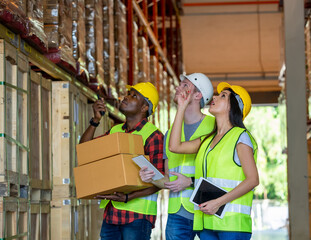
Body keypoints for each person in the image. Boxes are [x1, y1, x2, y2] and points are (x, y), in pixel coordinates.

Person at [168, 82, 259, 240]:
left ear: (233, 106)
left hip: (232, 226)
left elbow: (253, 180)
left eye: (223, 96)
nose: (215, 97)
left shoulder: (240, 137)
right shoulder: (207, 140)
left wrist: (218, 202)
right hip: (207, 224)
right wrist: (181, 107)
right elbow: (174, 146)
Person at [80, 82, 164, 240]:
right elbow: (85, 149)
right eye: (128, 94)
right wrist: (95, 120)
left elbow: (159, 181)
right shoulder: (115, 130)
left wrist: (128, 197)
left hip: (137, 216)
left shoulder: (153, 136)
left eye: (133, 96)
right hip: (111, 215)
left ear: (144, 107)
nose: (126, 97)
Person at [139, 73, 215, 240]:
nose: (177, 88)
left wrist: (190, 181)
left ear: (197, 95)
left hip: (207, 211)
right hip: (177, 214)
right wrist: (151, 177)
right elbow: (167, 178)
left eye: (185, 86)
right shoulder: (170, 134)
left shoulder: (214, 127)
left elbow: (221, 175)